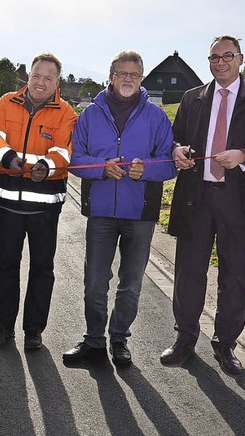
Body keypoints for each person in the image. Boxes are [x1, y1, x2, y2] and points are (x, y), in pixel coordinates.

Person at [160, 36, 245, 375]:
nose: (220, 62)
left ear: (240, 59)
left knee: (235, 276)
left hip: (240, 200)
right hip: (197, 197)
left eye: (227, 56)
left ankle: (225, 345)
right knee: (188, 272)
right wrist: (177, 150)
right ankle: (185, 338)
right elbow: (176, 138)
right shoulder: (193, 97)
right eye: (214, 57)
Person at [62, 51, 176, 365]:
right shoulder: (90, 114)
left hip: (139, 212)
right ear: (111, 76)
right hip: (100, 211)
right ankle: (95, 341)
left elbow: (169, 162)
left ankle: (119, 339)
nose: (128, 79)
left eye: (135, 75)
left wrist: (147, 170)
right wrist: (101, 167)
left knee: (132, 282)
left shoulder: (156, 116)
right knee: (95, 281)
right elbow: (75, 159)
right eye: (122, 73)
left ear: (142, 79)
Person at [0, 53, 77, 350]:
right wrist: (7, 157)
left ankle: (34, 331)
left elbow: (65, 152)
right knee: (6, 267)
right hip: (9, 204)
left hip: (45, 207)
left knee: (42, 268)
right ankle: (2, 327)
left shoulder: (66, 113)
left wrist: (48, 167)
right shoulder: (5, 103)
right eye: (37, 75)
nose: (41, 82)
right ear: (29, 76)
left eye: (48, 78)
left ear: (57, 82)